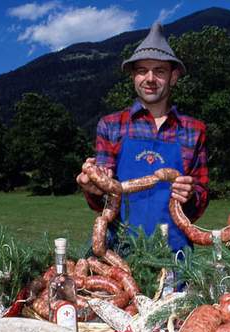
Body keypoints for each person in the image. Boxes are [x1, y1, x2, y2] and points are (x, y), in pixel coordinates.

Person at [76, 21, 209, 253]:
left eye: (159, 71)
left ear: (173, 77)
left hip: (174, 252)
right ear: (133, 77)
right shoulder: (111, 125)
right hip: (119, 252)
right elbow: (104, 203)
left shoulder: (194, 130)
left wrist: (190, 196)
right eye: (141, 71)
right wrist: (93, 189)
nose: (150, 78)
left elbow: (201, 198)